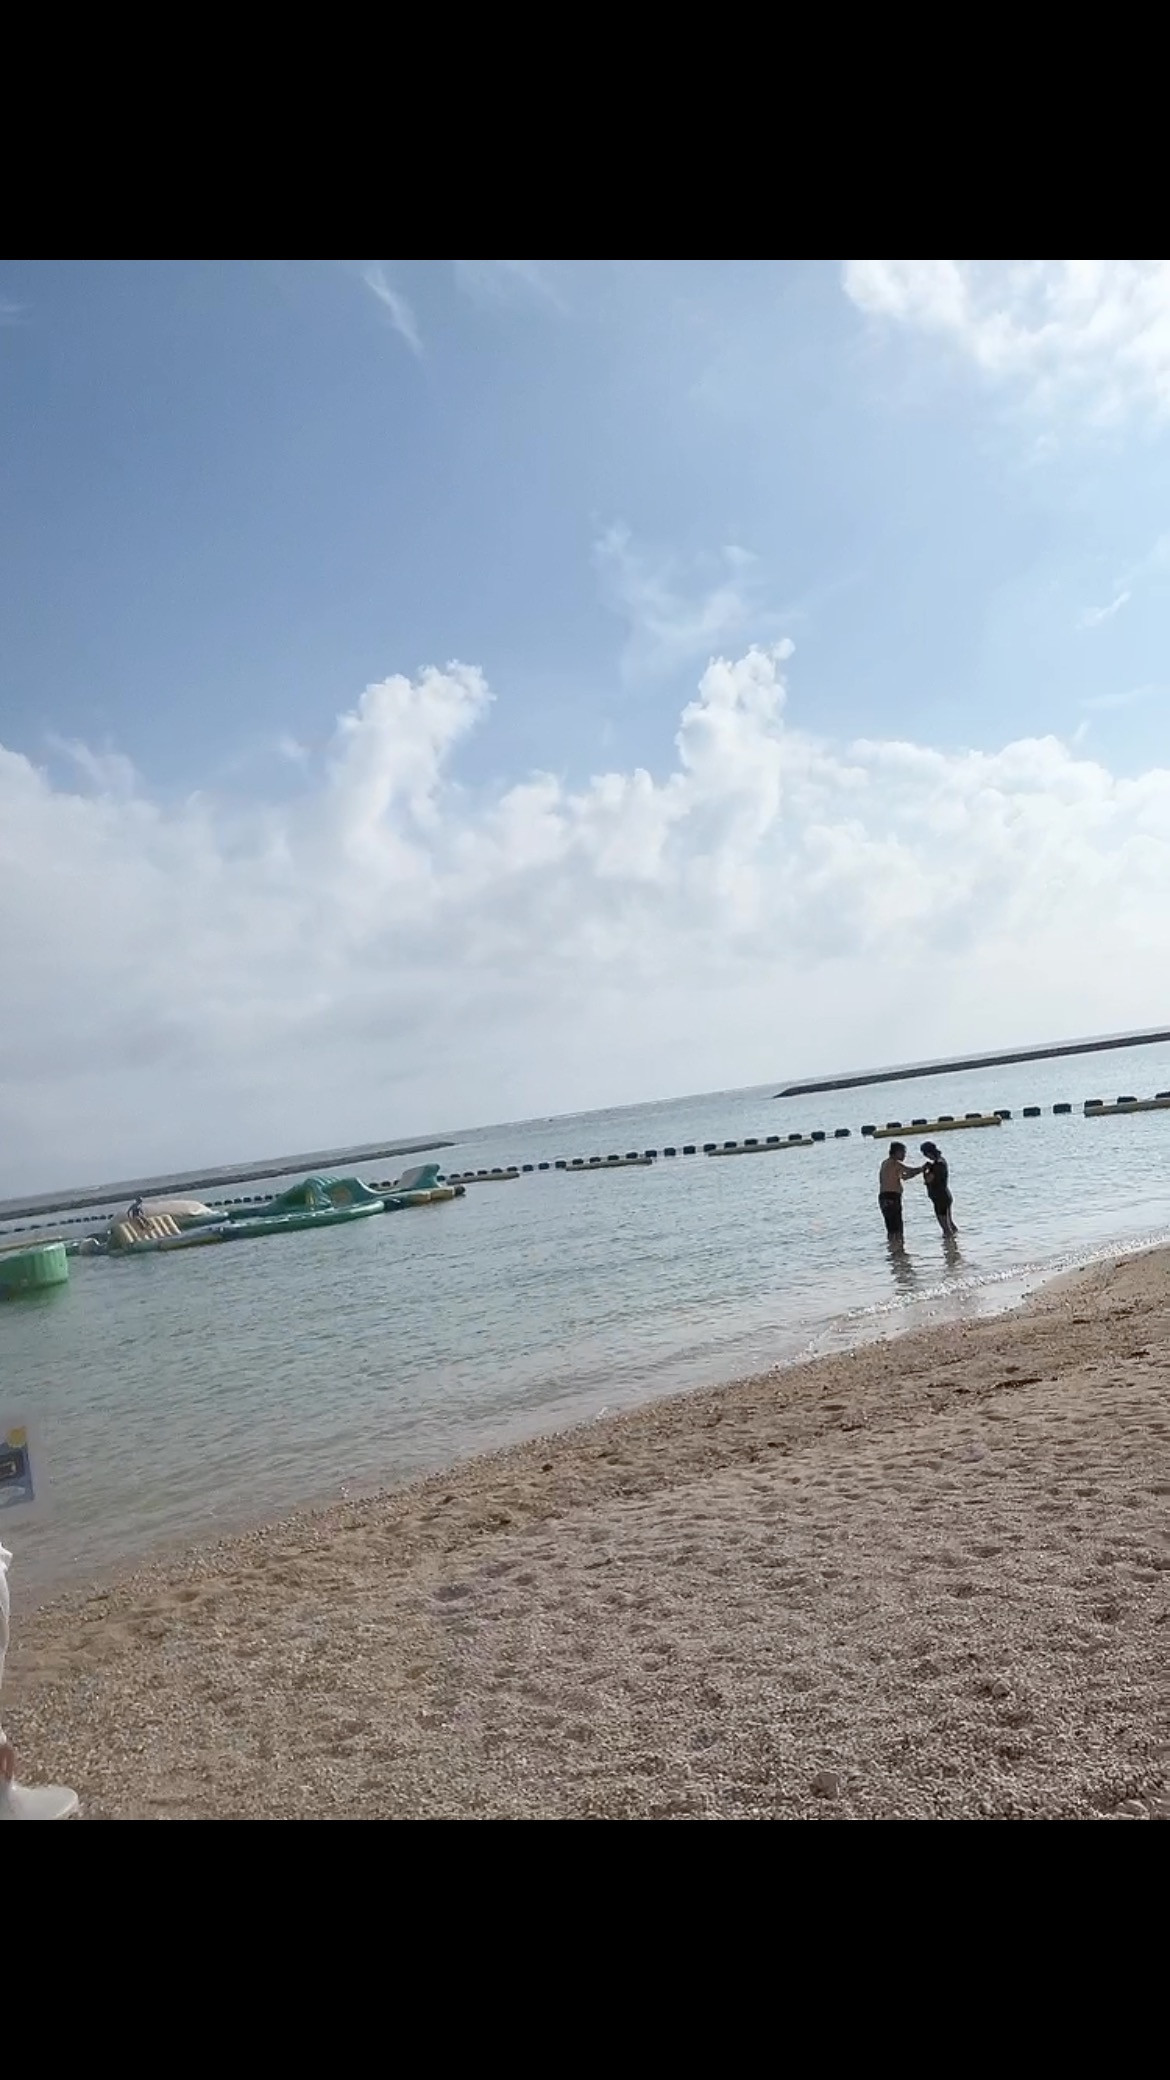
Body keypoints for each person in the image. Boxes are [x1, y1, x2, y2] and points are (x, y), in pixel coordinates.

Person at [877, 1141, 923, 1244]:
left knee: (890, 1226)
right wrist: (922, 1169)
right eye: (903, 1152)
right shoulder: (894, 1163)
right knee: (897, 1226)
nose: (904, 1155)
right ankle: (898, 1248)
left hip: (883, 1196)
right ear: (896, 1152)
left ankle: (894, 1249)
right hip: (892, 1196)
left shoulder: (885, 1163)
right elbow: (909, 1171)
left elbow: (905, 1177)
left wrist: (919, 1171)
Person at [919, 1141, 958, 1236]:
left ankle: (949, 1247)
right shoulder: (941, 1161)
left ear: (928, 1153)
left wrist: (924, 1172)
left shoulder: (937, 1165)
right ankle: (953, 1245)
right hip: (944, 1195)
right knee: (950, 1223)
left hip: (939, 1197)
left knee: (945, 1227)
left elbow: (928, 1180)